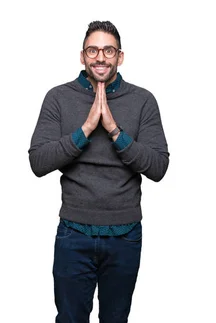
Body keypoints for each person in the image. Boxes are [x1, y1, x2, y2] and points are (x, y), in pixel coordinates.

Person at [28, 20, 169, 323]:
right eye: (93, 50)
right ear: (82, 56)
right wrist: (87, 129)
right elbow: (38, 162)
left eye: (108, 50)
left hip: (125, 235)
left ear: (120, 56)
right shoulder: (58, 98)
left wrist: (115, 132)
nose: (100, 57)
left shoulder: (142, 100)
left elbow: (159, 167)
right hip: (73, 234)